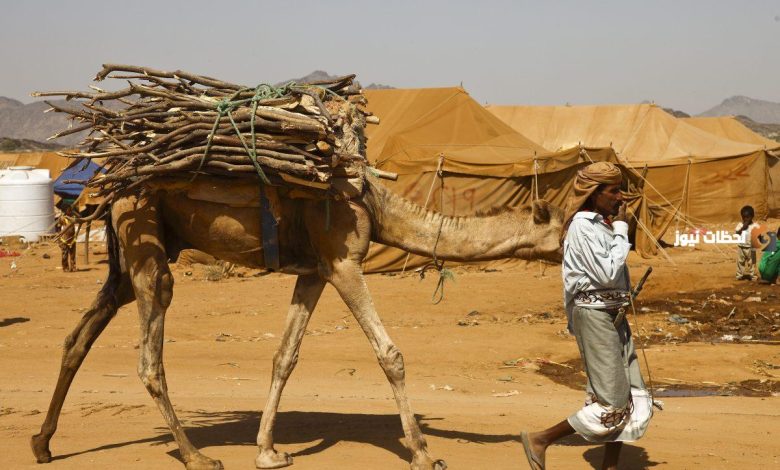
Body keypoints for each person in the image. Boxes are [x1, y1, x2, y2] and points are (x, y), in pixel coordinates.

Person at [520, 162, 652, 470]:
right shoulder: (582, 226)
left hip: (613, 316)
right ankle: (542, 438)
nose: (620, 198)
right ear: (594, 194)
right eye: (614, 191)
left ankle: (609, 466)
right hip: (594, 317)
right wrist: (622, 228)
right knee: (613, 402)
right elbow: (607, 273)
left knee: (630, 395)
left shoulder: (602, 225)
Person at [735, 206, 759, 281]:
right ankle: (739, 275)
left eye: (747, 217)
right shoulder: (740, 225)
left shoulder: (755, 226)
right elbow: (737, 233)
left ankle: (753, 276)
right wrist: (743, 228)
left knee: (752, 262)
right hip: (741, 247)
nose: (745, 219)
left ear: (752, 217)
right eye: (743, 217)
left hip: (751, 248)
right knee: (740, 262)